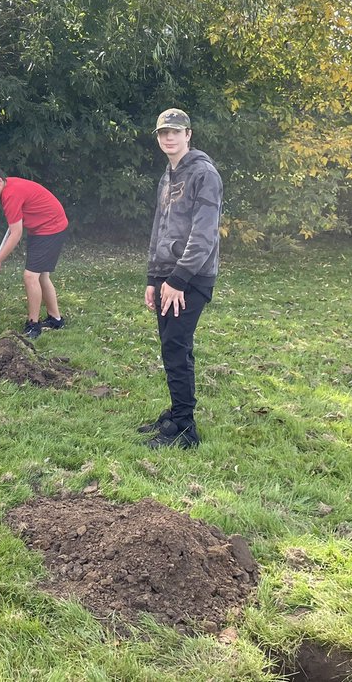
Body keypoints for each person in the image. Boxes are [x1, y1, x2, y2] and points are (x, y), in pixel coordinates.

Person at [139, 108, 223, 450]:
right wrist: (152, 277)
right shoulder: (167, 175)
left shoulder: (204, 174)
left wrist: (177, 280)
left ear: (188, 134)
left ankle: (185, 430)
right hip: (166, 275)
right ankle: (176, 414)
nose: (168, 138)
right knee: (171, 346)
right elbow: (160, 228)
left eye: (175, 132)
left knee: (176, 345)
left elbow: (204, 235)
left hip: (192, 276)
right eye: (163, 133)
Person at [0, 162, 69, 339]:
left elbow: (16, 234)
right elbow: (15, 226)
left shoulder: (10, 194)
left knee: (30, 276)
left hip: (50, 227)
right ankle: (56, 319)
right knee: (41, 276)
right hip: (42, 227)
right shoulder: (10, 188)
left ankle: (33, 325)